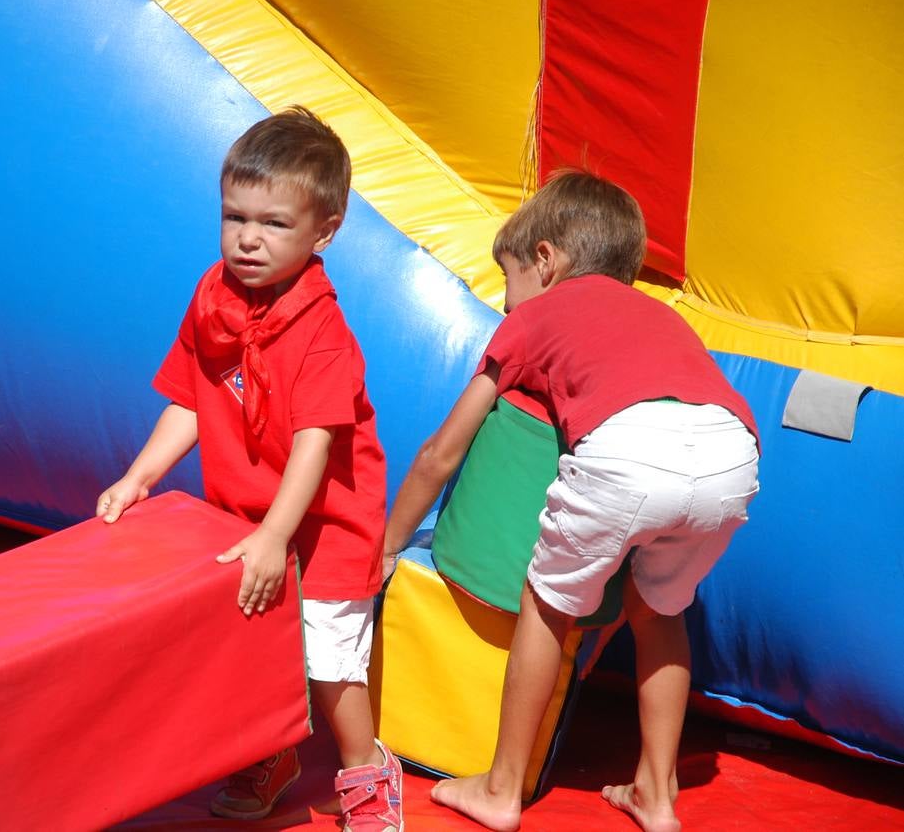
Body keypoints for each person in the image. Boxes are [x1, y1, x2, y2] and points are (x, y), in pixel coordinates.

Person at [383, 170, 760, 832]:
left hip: (629, 451)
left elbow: (441, 451)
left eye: (508, 285)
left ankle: (499, 789)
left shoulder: (540, 316)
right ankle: (658, 794)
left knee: (546, 601)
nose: (506, 307)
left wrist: (386, 543)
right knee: (657, 612)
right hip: (731, 455)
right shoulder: (659, 317)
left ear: (545, 261)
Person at [97, 106, 402, 832]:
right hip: (245, 512)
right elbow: (192, 399)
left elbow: (315, 445)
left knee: (328, 657)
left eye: (273, 223)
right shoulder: (213, 298)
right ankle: (271, 749)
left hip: (323, 522)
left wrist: (276, 536)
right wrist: (140, 476)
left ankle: (363, 768)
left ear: (324, 231)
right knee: (249, 643)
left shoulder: (321, 331)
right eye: (234, 217)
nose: (248, 239)